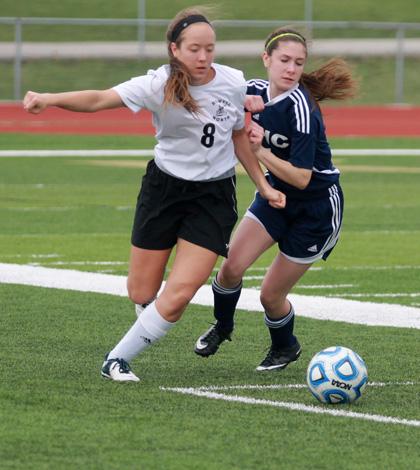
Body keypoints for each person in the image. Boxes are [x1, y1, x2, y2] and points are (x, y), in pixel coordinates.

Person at [23, 7, 285, 382]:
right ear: (174, 49)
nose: (203, 57)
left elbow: (239, 136)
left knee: (178, 296)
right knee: (142, 290)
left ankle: (117, 360)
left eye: (209, 48)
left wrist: (263, 185)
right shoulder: (157, 84)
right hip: (163, 189)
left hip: (212, 197)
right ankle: (147, 318)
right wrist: (49, 97)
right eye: (194, 49)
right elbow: (98, 99)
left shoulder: (233, 82)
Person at [194, 28, 358, 371]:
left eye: (299, 63)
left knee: (270, 295)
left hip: (316, 208)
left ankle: (286, 347)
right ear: (266, 59)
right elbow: (213, 88)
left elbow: (302, 177)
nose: (291, 69)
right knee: (230, 268)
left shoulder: (302, 109)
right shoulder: (251, 90)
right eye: (284, 60)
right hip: (275, 196)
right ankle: (223, 327)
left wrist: (260, 149)